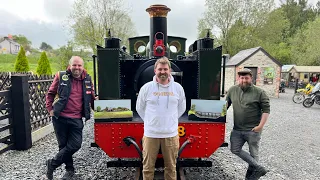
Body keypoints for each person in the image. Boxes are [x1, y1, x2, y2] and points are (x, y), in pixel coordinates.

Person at [45, 56, 95, 180]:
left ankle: (52, 164)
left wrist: (100, 111)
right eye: (74, 65)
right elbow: (50, 94)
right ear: (70, 65)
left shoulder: (88, 80)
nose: (76, 68)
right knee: (63, 146)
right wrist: (50, 110)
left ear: (83, 67)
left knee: (75, 144)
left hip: (76, 118)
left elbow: (92, 97)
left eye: (79, 65)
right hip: (60, 117)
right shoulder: (61, 76)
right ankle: (69, 170)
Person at [136, 57, 186, 180]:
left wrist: (170, 121)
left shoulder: (178, 88)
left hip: (171, 134)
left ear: (169, 70)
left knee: (171, 167)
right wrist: (150, 122)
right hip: (150, 134)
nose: (162, 72)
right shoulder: (146, 88)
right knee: (147, 167)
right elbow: (139, 108)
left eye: (165, 69)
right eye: (160, 69)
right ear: (155, 71)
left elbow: (181, 108)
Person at [226, 68, 270, 180]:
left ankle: (251, 178)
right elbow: (225, 106)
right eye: (242, 78)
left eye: (246, 78)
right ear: (238, 78)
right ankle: (259, 168)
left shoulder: (260, 92)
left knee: (254, 154)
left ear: (251, 78)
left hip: (253, 130)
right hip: (237, 129)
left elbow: (266, 110)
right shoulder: (232, 90)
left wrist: (260, 126)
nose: (244, 80)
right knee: (234, 149)